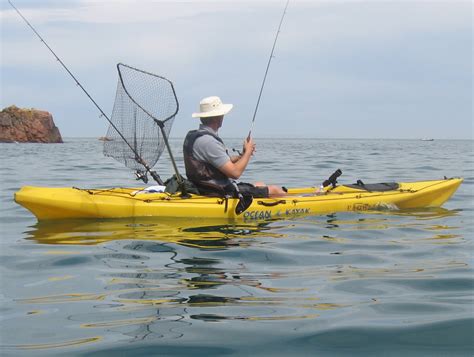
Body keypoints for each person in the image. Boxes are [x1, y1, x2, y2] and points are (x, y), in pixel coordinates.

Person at [183, 96, 286, 198]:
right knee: (276, 191)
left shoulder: (198, 136)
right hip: (218, 191)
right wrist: (248, 151)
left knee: (261, 184)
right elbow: (235, 173)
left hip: (207, 187)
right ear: (216, 117)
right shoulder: (208, 142)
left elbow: (221, 161)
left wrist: (242, 155)